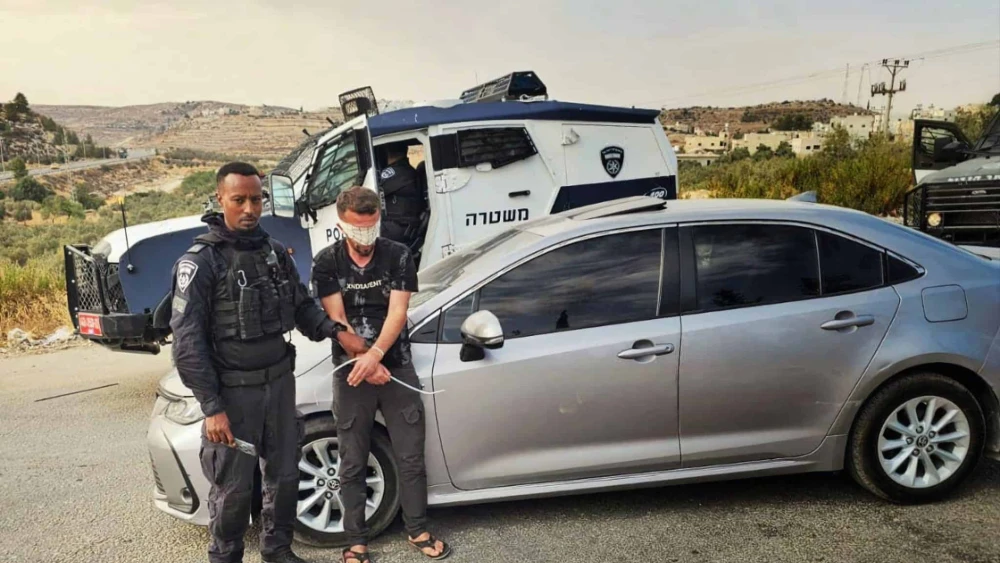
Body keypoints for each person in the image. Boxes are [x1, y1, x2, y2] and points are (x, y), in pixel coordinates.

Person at [169, 162, 368, 563]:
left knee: (286, 477)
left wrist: (337, 332)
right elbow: (187, 344)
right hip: (234, 396)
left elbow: (302, 308)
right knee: (234, 489)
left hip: (278, 386)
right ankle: (225, 557)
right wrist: (213, 408)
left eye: (256, 199)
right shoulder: (201, 262)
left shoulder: (274, 253)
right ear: (220, 199)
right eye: (238, 200)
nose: (249, 209)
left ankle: (278, 552)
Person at [311, 186, 451, 563]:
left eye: (372, 228)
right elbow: (336, 321)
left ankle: (417, 529)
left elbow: (397, 313)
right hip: (351, 368)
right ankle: (356, 541)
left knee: (410, 456)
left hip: (396, 363)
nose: (366, 237)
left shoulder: (399, 255)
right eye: (358, 230)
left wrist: (377, 355)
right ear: (341, 225)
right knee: (352, 459)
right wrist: (366, 362)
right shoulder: (327, 262)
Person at [377, 142, 427, 251]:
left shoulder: (394, 172)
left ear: (386, 153)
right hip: (406, 226)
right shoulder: (409, 171)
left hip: (398, 228)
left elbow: (370, 193)